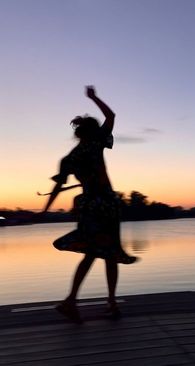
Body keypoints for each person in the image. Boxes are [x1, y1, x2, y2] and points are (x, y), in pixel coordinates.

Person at [42, 86, 138, 322]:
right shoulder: (96, 144)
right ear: (93, 133)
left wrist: (44, 210)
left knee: (94, 252)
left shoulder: (70, 158)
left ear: (78, 134)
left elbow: (57, 186)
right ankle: (105, 303)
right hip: (106, 205)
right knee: (109, 252)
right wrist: (94, 98)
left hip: (90, 207)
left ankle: (74, 302)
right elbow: (111, 116)